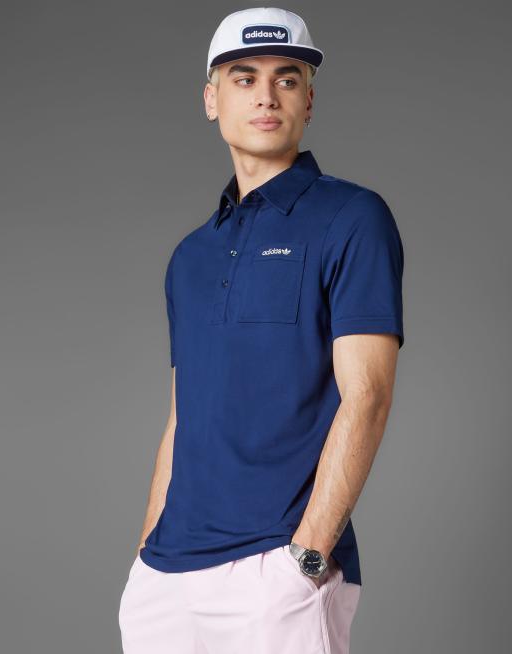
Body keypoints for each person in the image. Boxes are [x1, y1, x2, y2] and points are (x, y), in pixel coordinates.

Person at [118, 7, 404, 654]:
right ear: (211, 100)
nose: (266, 95)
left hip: (278, 570)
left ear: (309, 101)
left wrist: (307, 558)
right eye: (244, 78)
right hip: (167, 579)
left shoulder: (353, 217)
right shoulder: (190, 256)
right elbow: (182, 417)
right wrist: (144, 561)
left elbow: (368, 396)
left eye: (287, 78)